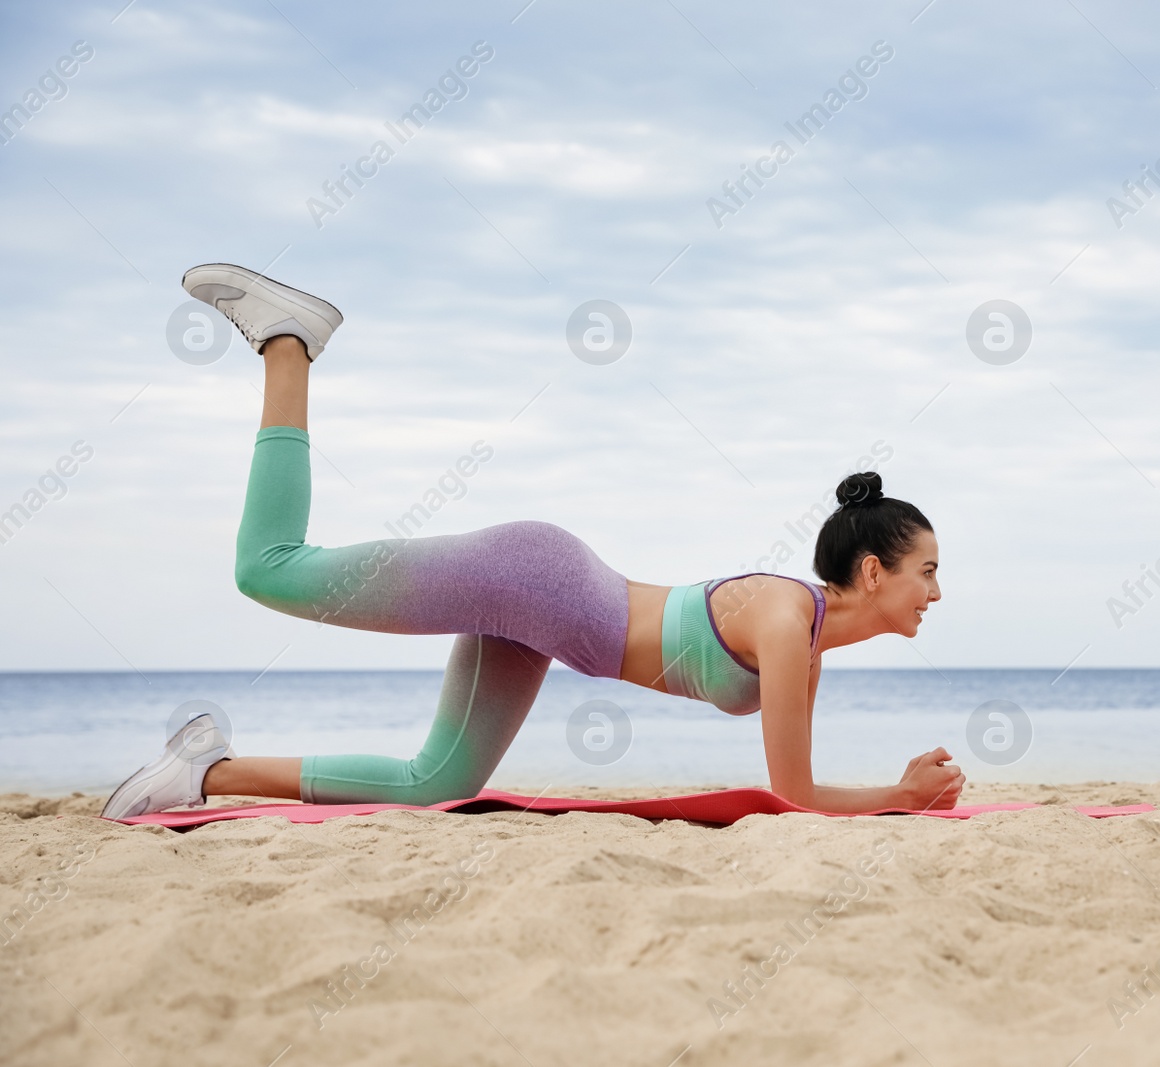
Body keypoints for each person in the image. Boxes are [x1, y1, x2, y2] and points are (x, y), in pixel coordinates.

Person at [102, 264, 963, 819]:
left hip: (545, 617)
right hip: (538, 584)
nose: (934, 590)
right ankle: (288, 343)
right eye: (926, 570)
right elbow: (794, 797)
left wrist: (900, 795)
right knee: (270, 571)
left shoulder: (805, 648)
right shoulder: (784, 619)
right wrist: (903, 794)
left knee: (435, 784)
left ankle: (205, 773)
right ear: (874, 567)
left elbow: (796, 793)